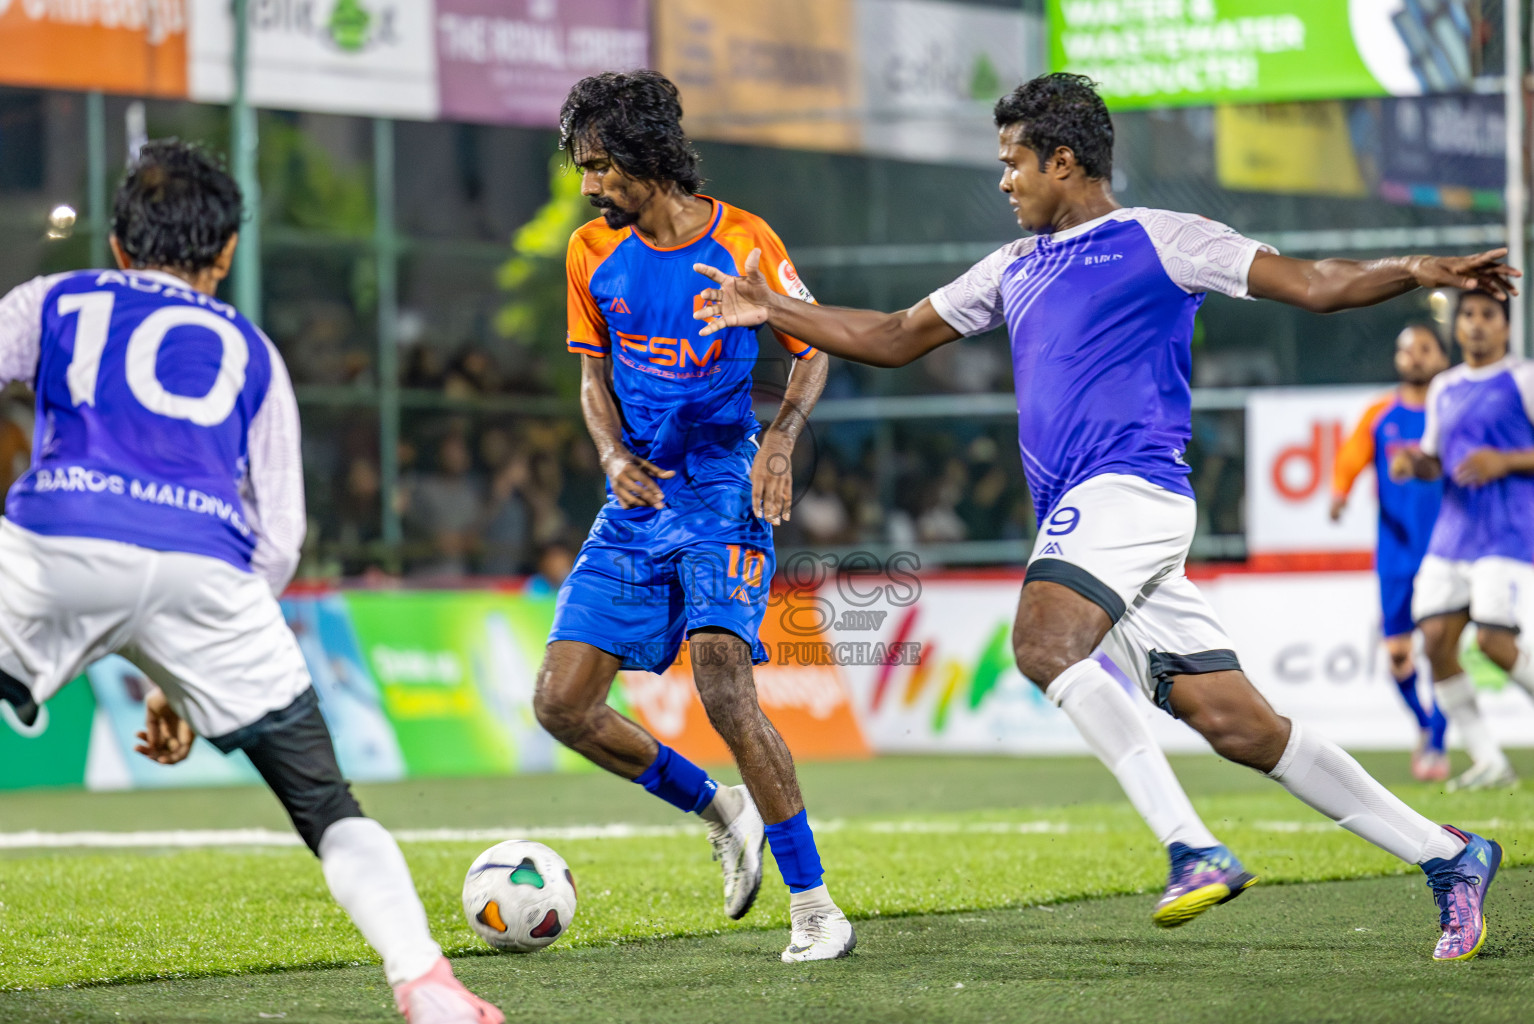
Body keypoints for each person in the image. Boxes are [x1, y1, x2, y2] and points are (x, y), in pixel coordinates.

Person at [693, 73, 1516, 962]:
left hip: (1130, 492)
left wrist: (1414, 270)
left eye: (1014, 164)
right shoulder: (1010, 268)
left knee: (1044, 645)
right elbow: (895, 335)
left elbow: (1312, 281)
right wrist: (775, 308)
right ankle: (1449, 854)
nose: (1003, 182)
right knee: (1242, 727)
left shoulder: (1164, 239)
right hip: (1095, 521)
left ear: (1064, 159)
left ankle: (1190, 846)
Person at [0, 141, 500, 1024]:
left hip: (54, 544)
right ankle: (429, 983)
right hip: (208, 573)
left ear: (118, 242)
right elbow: (280, 537)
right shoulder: (254, 352)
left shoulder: (54, 300)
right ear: (226, 256)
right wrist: (187, 670)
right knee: (326, 805)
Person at [532, 71, 852, 963]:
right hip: (636, 498)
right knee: (561, 705)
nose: (589, 185)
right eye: (583, 167)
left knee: (722, 685)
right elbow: (592, 377)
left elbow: (814, 340)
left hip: (722, 488)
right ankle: (720, 809)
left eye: (600, 166)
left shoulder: (744, 240)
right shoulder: (590, 251)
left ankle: (818, 907)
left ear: (647, 155)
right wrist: (609, 454)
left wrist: (782, 435)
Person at [1393, 289, 1534, 791]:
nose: (1476, 324)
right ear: (1456, 328)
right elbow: (1435, 458)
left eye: (1487, 316)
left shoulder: (1522, 377)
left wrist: (1507, 460)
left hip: (1507, 533)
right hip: (1452, 536)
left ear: (1505, 327)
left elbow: (1511, 457)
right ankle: (1488, 760)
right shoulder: (1444, 387)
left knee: (1496, 643)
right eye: (1468, 315)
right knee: (1434, 641)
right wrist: (1416, 462)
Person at [1330, 324, 1451, 780]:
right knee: (1399, 657)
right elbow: (1350, 457)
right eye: (1406, 350)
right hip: (1397, 551)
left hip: (1448, 551)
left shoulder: (1451, 409)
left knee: (1442, 649)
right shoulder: (1381, 414)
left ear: (1441, 357)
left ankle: (1438, 745)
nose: (1414, 357)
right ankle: (1425, 726)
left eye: (1424, 349)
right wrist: (1339, 494)